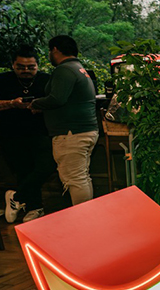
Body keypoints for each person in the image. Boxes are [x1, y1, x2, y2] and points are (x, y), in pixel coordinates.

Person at [29, 35, 99, 206]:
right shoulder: (79, 68)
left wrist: (35, 103)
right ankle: (86, 214)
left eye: (49, 51)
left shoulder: (64, 70)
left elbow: (57, 98)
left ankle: (83, 217)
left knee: (75, 178)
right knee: (81, 177)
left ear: (55, 50)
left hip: (71, 133)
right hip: (84, 130)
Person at [1, 45, 57, 222]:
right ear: (13, 65)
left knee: (46, 166)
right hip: (10, 133)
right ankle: (35, 208)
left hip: (42, 132)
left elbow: (57, 103)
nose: (26, 70)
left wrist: (40, 107)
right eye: (21, 67)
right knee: (23, 171)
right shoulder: (3, 80)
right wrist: (11, 103)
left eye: (31, 67)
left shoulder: (47, 80)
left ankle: (16, 197)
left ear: (38, 65)